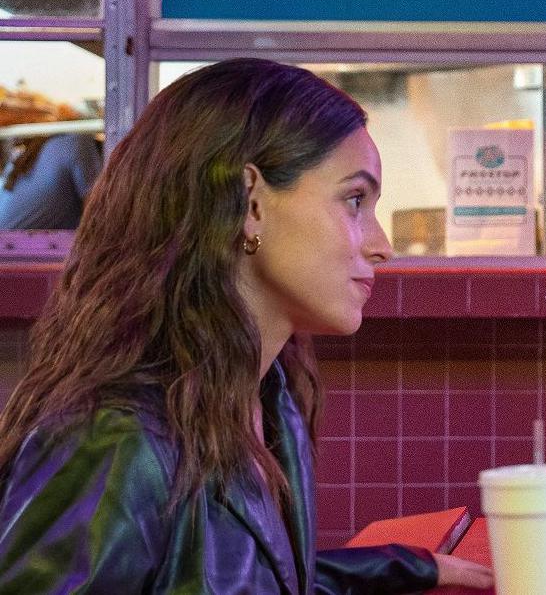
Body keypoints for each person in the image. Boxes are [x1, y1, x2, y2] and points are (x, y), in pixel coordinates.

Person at [0, 59, 493, 593]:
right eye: (354, 200)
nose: (381, 246)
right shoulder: (113, 440)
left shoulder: (266, 397)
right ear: (250, 203)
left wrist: (406, 567)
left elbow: (246, 579)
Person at [0, 133, 102, 230]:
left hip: (14, 244)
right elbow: (98, 214)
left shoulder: (29, 152)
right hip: (23, 246)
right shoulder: (76, 141)